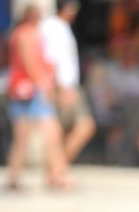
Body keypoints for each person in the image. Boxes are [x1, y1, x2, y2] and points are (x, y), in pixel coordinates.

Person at [6, 4, 69, 190]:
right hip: (32, 90)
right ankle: (56, 174)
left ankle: (14, 177)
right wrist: (45, 85)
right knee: (52, 133)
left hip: (21, 90)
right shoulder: (27, 34)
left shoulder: (20, 33)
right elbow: (30, 63)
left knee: (22, 138)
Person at [40, 0, 96, 165]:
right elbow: (51, 60)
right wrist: (60, 87)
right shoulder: (53, 28)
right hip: (64, 87)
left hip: (67, 86)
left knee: (64, 129)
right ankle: (58, 169)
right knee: (83, 126)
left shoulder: (60, 27)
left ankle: (56, 170)